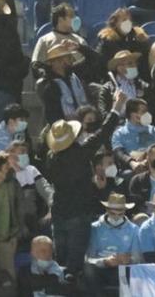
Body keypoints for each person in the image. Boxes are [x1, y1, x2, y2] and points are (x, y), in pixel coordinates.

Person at [42, 108, 121, 274]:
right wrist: (115, 108)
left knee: (60, 260)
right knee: (74, 264)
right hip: (78, 213)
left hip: (59, 212)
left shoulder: (51, 157)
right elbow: (103, 132)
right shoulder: (79, 153)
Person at [84, 193, 138, 292]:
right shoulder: (95, 228)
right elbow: (88, 259)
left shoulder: (134, 229)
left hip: (123, 269)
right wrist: (105, 261)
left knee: (134, 273)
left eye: (120, 213)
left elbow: (138, 259)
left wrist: (129, 260)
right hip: (100, 269)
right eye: (113, 213)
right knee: (88, 269)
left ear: (125, 211)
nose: (116, 217)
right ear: (107, 210)